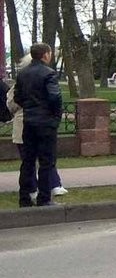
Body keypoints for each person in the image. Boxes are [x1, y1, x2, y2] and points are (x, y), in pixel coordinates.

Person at [9, 53, 68, 199]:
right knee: (46, 160)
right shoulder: (48, 76)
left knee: (29, 161)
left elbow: (13, 102)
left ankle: (29, 194)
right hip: (42, 123)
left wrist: (27, 106)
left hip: (26, 123)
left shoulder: (22, 78)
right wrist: (55, 117)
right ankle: (46, 192)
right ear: (45, 57)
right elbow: (55, 98)